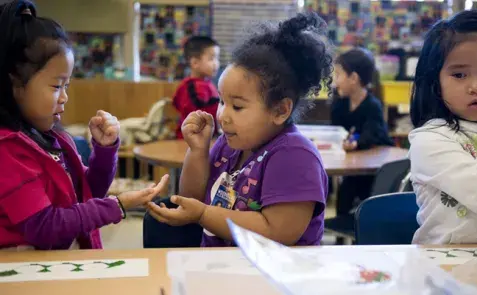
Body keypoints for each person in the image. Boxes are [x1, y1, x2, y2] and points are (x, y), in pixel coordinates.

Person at [148, 12, 333, 247]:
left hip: (275, 279)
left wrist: (203, 214)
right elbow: (191, 199)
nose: (223, 115)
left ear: (280, 111)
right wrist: (197, 151)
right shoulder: (229, 144)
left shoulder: (295, 155)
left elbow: (278, 231)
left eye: (237, 106)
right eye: (222, 101)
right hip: (225, 272)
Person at [0, 0, 168, 250]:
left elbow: (88, 194)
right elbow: (45, 227)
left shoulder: (53, 139)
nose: (65, 97)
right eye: (57, 86)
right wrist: (117, 206)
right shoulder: (7, 151)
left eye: (66, 86)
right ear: (14, 85)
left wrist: (104, 150)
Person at [409, 9, 477, 244]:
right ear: (435, 82)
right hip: (442, 269)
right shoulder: (429, 142)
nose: (476, 86)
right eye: (459, 74)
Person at [331, 48, 393, 216]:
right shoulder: (339, 104)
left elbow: (372, 134)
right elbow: (337, 131)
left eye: (338, 75)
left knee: (363, 202)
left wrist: (356, 142)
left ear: (354, 78)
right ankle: (339, 237)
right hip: (351, 168)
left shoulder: (372, 105)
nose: (335, 82)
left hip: (372, 171)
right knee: (344, 195)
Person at [172, 36, 220, 139]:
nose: (216, 63)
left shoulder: (206, 83)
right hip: (191, 141)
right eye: (212, 58)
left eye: (217, 58)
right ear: (195, 63)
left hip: (206, 139)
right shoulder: (193, 87)